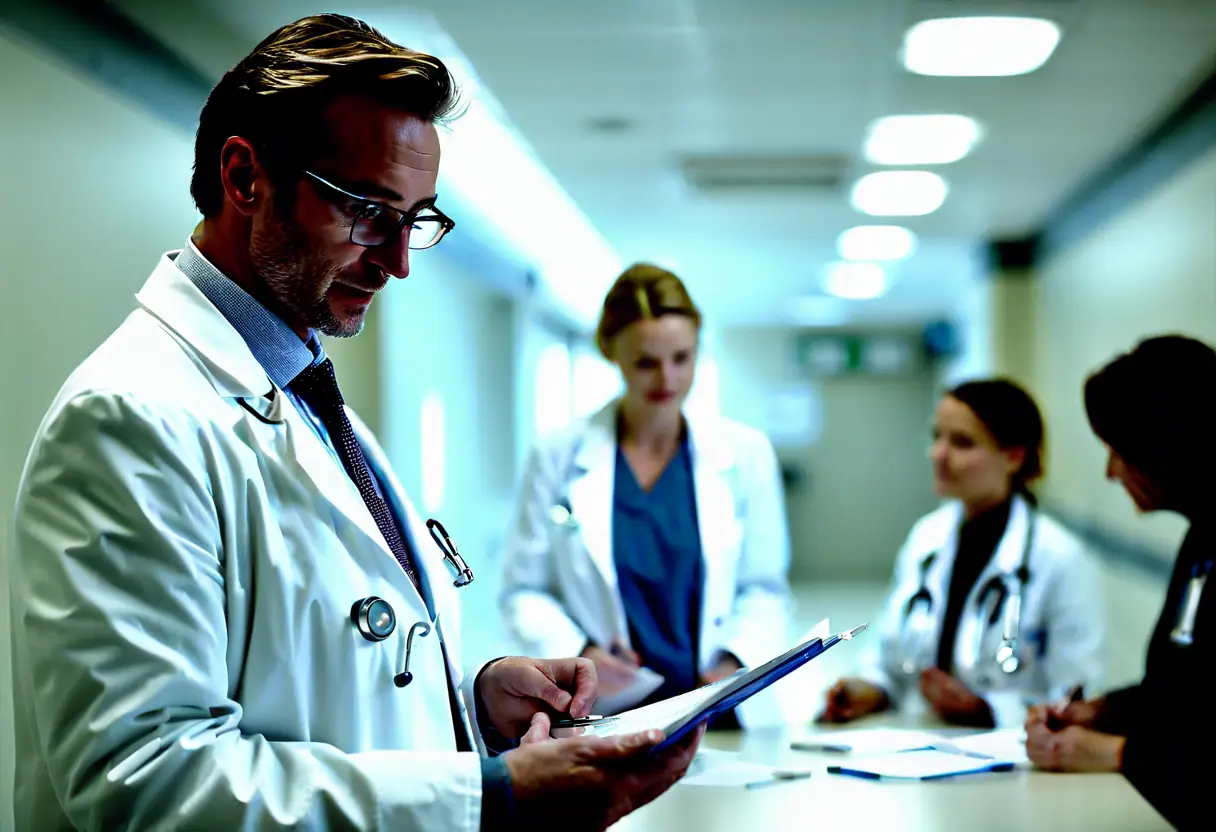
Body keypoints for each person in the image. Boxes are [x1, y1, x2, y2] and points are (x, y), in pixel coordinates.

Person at [8, 15, 701, 831]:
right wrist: (489, 797)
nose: (398, 260)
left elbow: (327, 681)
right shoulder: (129, 420)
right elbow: (144, 781)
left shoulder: (300, 395)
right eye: (368, 211)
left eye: (416, 220)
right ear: (244, 177)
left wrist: (473, 699)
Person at [499, 263, 792, 726]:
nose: (667, 380)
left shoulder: (746, 453)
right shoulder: (556, 454)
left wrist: (733, 663)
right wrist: (579, 653)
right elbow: (523, 590)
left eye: (682, 358)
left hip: (718, 709)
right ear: (611, 352)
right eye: (645, 363)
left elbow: (764, 588)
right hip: (604, 713)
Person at [820, 379, 1106, 729]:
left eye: (961, 442)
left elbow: (1076, 693)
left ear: (1014, 457)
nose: (938, 454)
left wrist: (986, 709)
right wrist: (870, 689)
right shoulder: (927, 538)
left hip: (1013, 762)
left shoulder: (1059, 558)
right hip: (918, 749)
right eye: (937, 437)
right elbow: (890, 654)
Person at [1025, 334, 1216, 830]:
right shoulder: (1204, 539)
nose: (1111, 473)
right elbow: (1182, 690)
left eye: (1118, 451)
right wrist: (1102, 713)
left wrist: (1119, 753)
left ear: (1168, 447)